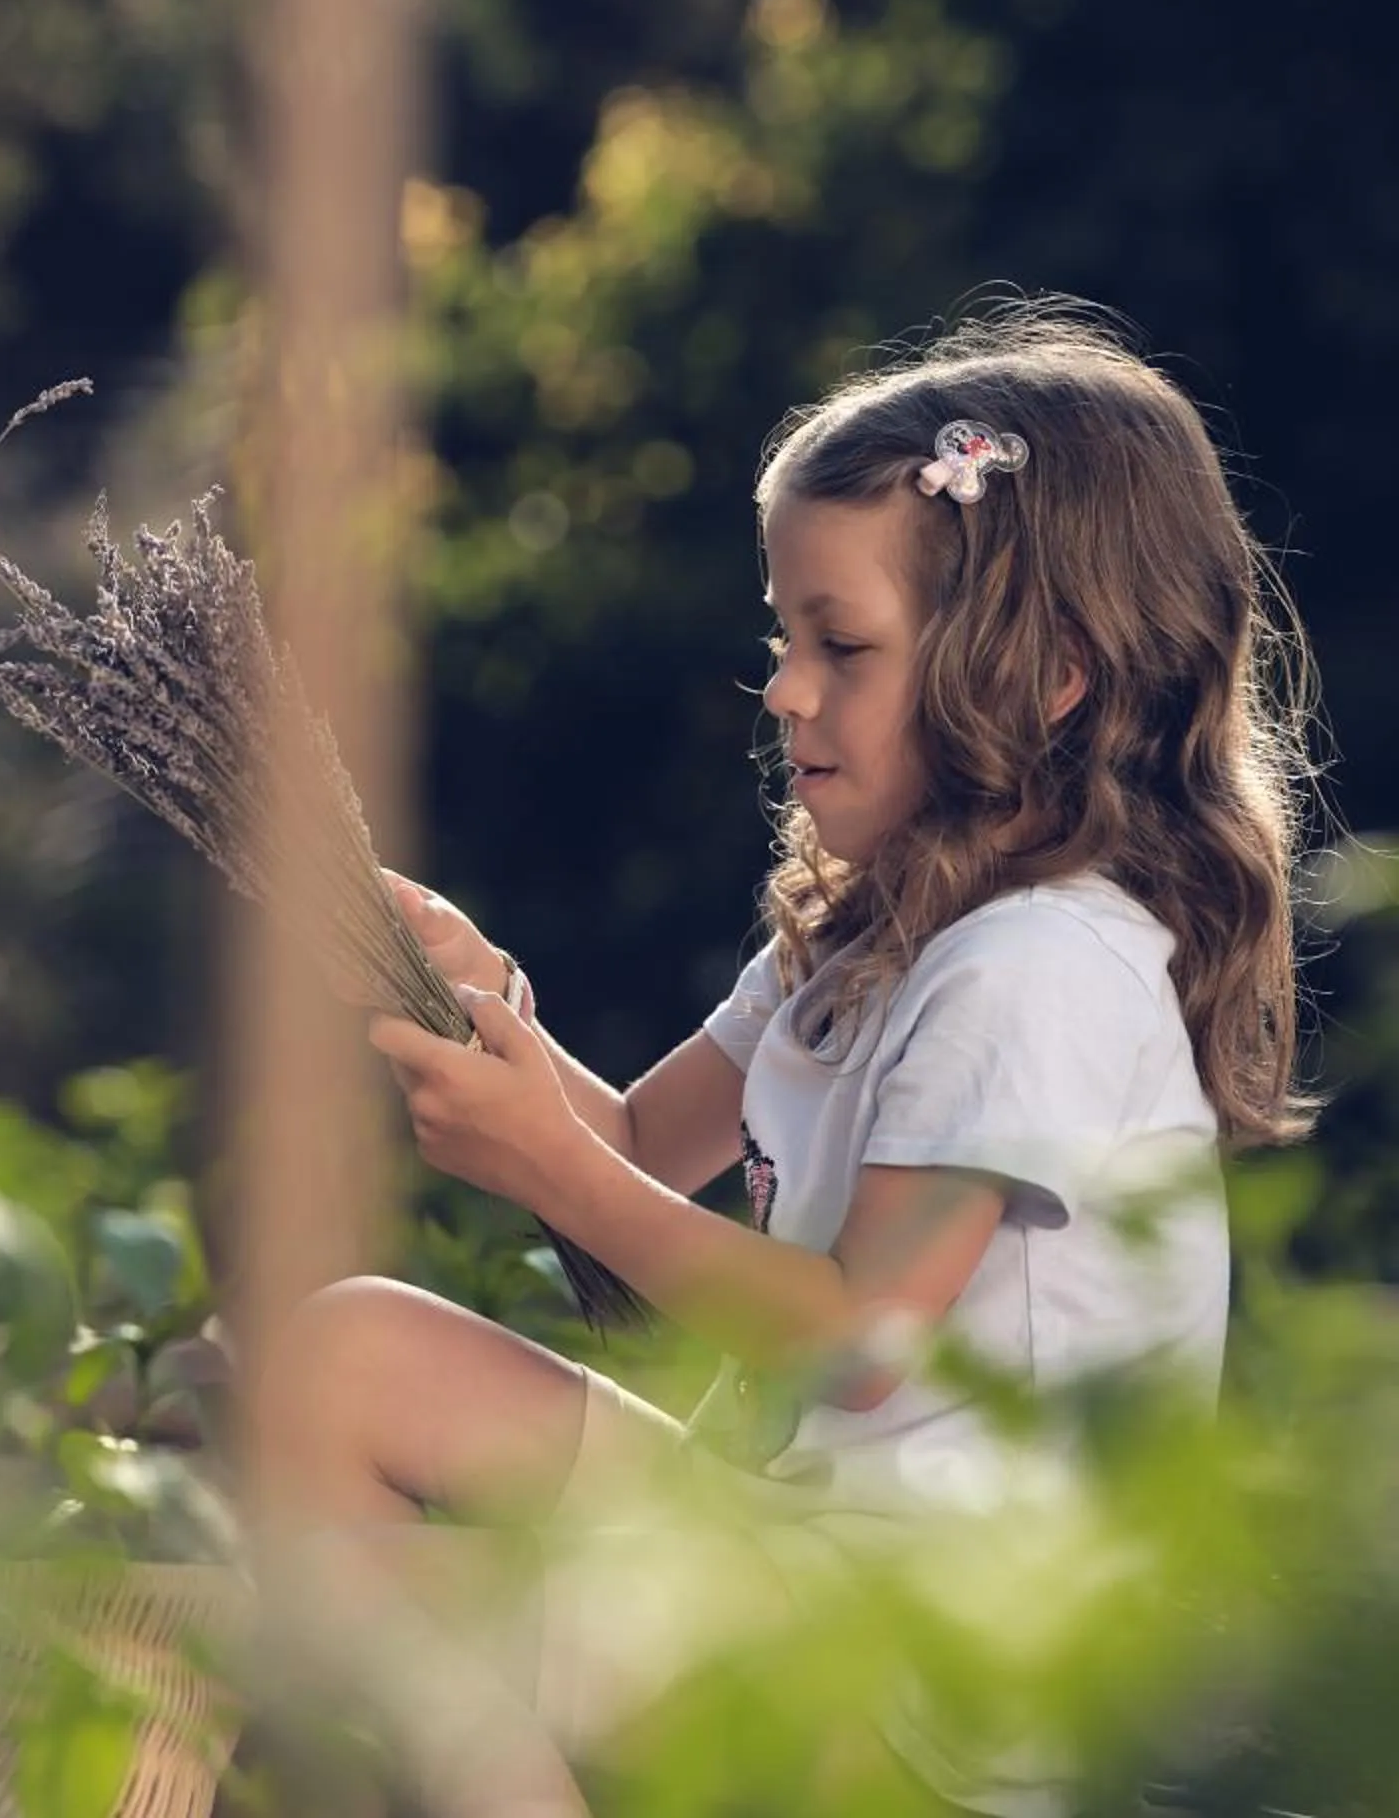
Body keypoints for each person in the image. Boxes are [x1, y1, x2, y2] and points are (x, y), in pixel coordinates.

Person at [255, 309, 1314, 1816]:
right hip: (812, 1554)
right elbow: (639, 1141)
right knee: (344, 1363)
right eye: (783, 639)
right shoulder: (877, 926)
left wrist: (544, 1164)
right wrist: (484, 1002)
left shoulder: (1039, 966)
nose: (785, 689)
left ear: (1049, 676)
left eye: (843, 646)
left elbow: (857, 1342)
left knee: (375, 1616)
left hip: (935, 1680)